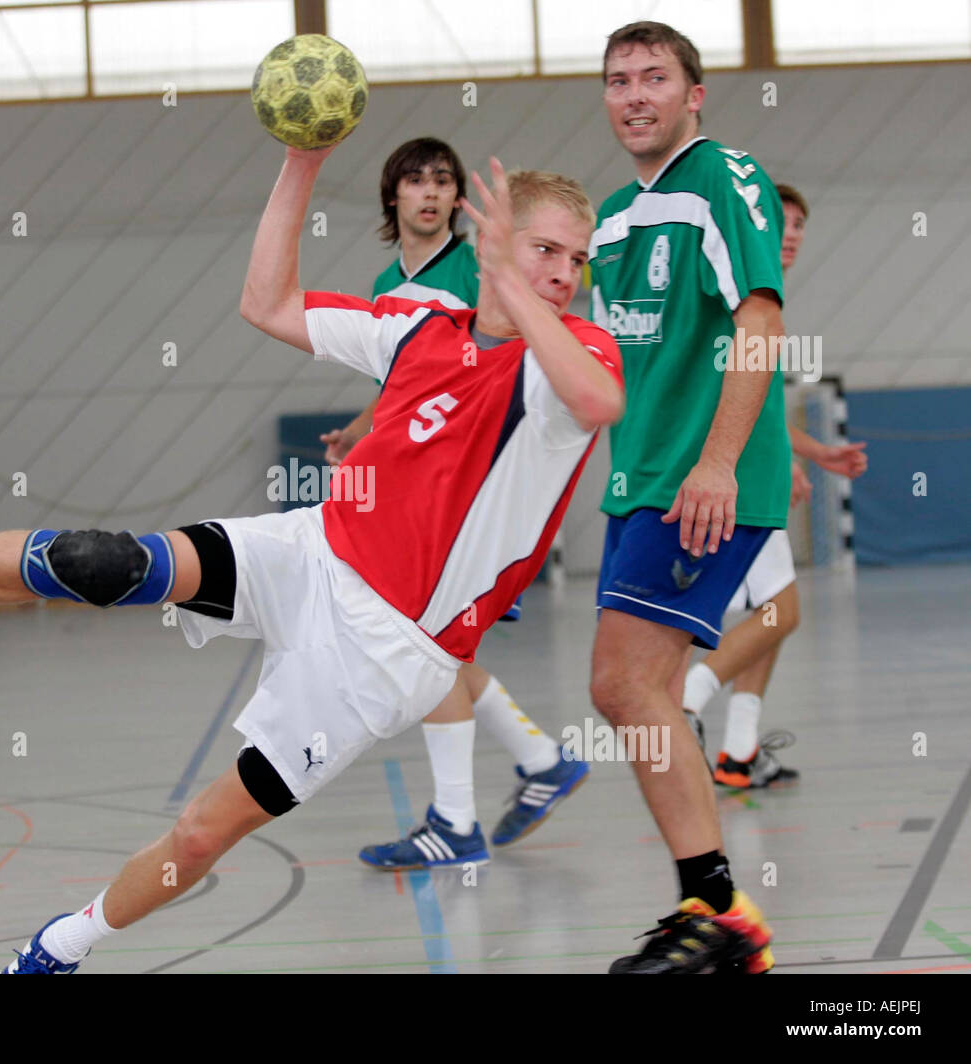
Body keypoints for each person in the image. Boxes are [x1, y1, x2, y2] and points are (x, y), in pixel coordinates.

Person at [0, 144, 623, 974]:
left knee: (204, 834)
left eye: (574, 259)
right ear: (493, 242)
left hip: (385, 653)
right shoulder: (419, 326)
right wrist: (302, 165)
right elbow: (267, 302)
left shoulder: (572, 356)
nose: (561, 271)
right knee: (101, 561)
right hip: (313, 550)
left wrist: (516, 282)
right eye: (544, 249)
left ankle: (64, 944)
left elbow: (598, 400)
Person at [324, 138, 591, 869]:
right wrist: (361, 430)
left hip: (476, 503)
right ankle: (536, 764)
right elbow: (415, 385)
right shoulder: (391, 280)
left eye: (444, 181)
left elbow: (488, 376)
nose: (431, 193)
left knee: (430, 647)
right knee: (437, 649)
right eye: (416, 181)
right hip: (424, 496)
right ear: (392, 197)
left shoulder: (469, 277)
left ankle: (462, 817)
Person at [589, 21, 792, 973]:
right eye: (619, 80)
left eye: (654, 77)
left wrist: (718, 460)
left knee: (623, 685)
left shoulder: (725, 175)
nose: (635, 94)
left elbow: (759, 317)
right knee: (648, 690)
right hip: (642, 482)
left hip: (700, 484)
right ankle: (713, 914)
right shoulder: (614, 222)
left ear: (692, 94)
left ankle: (719, 910)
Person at [682, 184, 868, 788]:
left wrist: (815, 453)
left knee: (772, 611)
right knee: (780, 613)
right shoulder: (733, 299)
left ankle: (739, 752)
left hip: (755, 473)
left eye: (799, 226)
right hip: (734, 484)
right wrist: (747, 463)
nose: (790, 234)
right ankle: (684, 699)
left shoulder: (766, 302)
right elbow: (719, 396)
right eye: (780, 221)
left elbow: (763, 412)